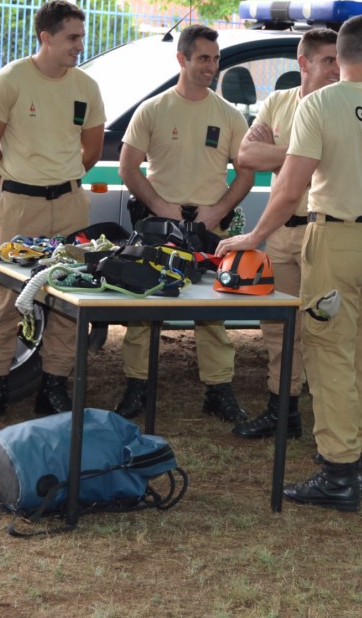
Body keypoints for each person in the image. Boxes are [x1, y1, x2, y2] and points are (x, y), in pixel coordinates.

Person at [217, 15, 362, 511]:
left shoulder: (321, 104)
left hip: (333, 242)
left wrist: (256, 235)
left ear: (341, 56)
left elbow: (288, 188)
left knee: (328, 354)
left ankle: (338, 470)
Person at [116, 24, 256, 423]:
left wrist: (217, 211)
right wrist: (160, 206)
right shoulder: (154, 109)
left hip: (210, 228)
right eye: (203, 58)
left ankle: (219, 390)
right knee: (144, 309)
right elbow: (128, 166)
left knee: (213, 313)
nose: (211, 66)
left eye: (215, 58)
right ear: (182, 59)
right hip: (159, 228)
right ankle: (137, 388)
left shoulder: (229, 115)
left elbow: (245, 173)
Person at [0, 0, 105, 413]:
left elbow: (93, 148)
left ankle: (54, 385)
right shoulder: (11, 79)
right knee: (4, 296)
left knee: (69, 293)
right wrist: (17, 185)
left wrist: (59, 182)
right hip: (19, 206)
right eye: (71, 37)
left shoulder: (86, 86)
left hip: (69, 204)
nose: (79, 45)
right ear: (45, 37)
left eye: (81, 37)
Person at [231, 28, 339, 440]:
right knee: (278, 327)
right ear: (304, 62)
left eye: (339, 60)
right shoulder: (279, 101)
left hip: (321, 232)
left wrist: (279, 157)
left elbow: (327, 163)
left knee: (322, 328)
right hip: (280, 231)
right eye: (327, 60)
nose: (336, 68)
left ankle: (331, 428)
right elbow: (246, 154)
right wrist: (302, 157)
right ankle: (283, 411)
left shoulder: (339, 105)